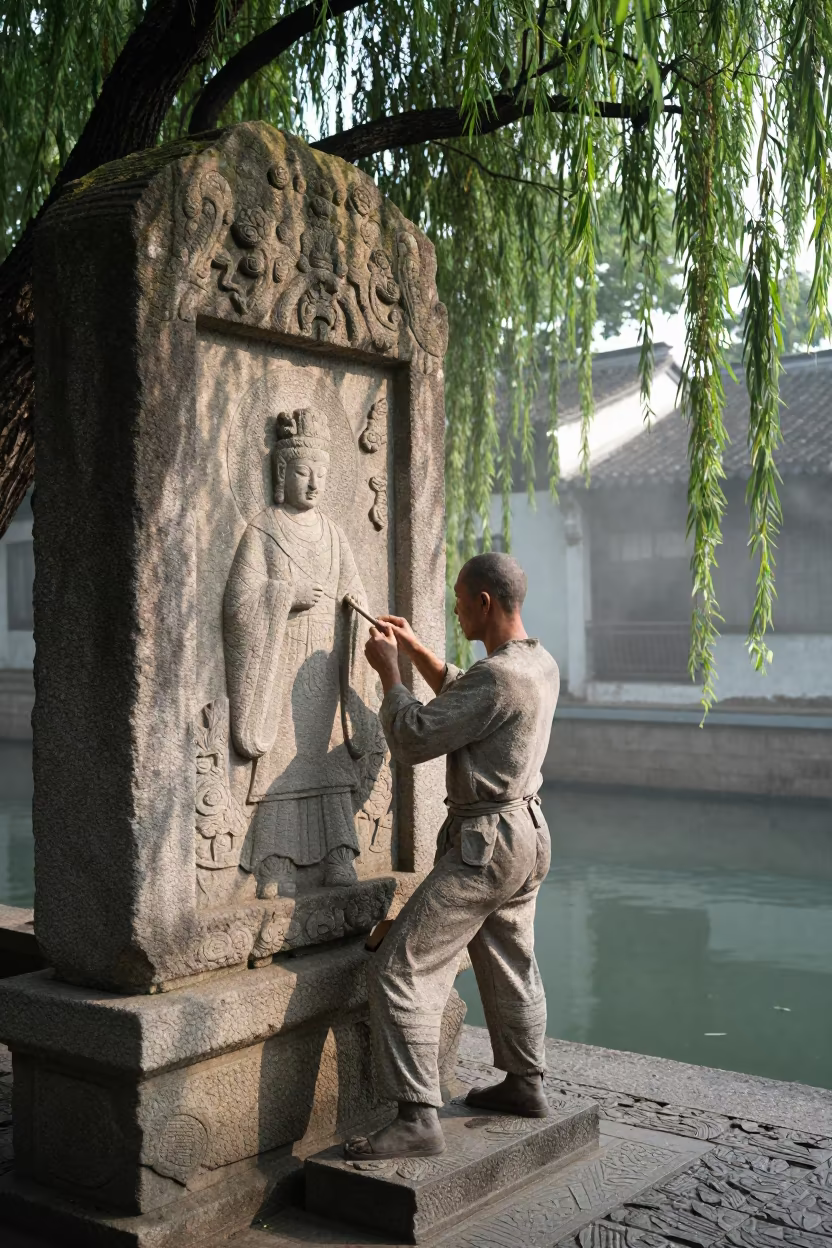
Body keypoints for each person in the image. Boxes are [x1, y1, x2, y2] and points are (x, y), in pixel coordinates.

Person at [347, 552, 559, 1160]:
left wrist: (390, 675)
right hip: (529, 833)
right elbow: (479, 701)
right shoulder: (537, 663)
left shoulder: (498, 678)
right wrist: (417, 653)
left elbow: (414, 737)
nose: (456, 608)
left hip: (485, 846)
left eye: (461, 599)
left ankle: (416, 1120)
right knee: (510, 959)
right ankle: (525, 1084)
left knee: (398, 966)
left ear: (485, 603)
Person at [223, 407, 378, 899]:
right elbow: (238, 604)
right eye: (305, 473)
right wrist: (283, 594)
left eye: (322, 475)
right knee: (283, 760)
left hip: (325, 663)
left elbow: (355, 590)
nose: (314, 484)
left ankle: (338, 854)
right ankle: (276, 862)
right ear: (282, 474)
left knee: (328, 762)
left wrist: (354, 606)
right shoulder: (263, 530)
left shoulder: (333, 533)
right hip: (280, 659)